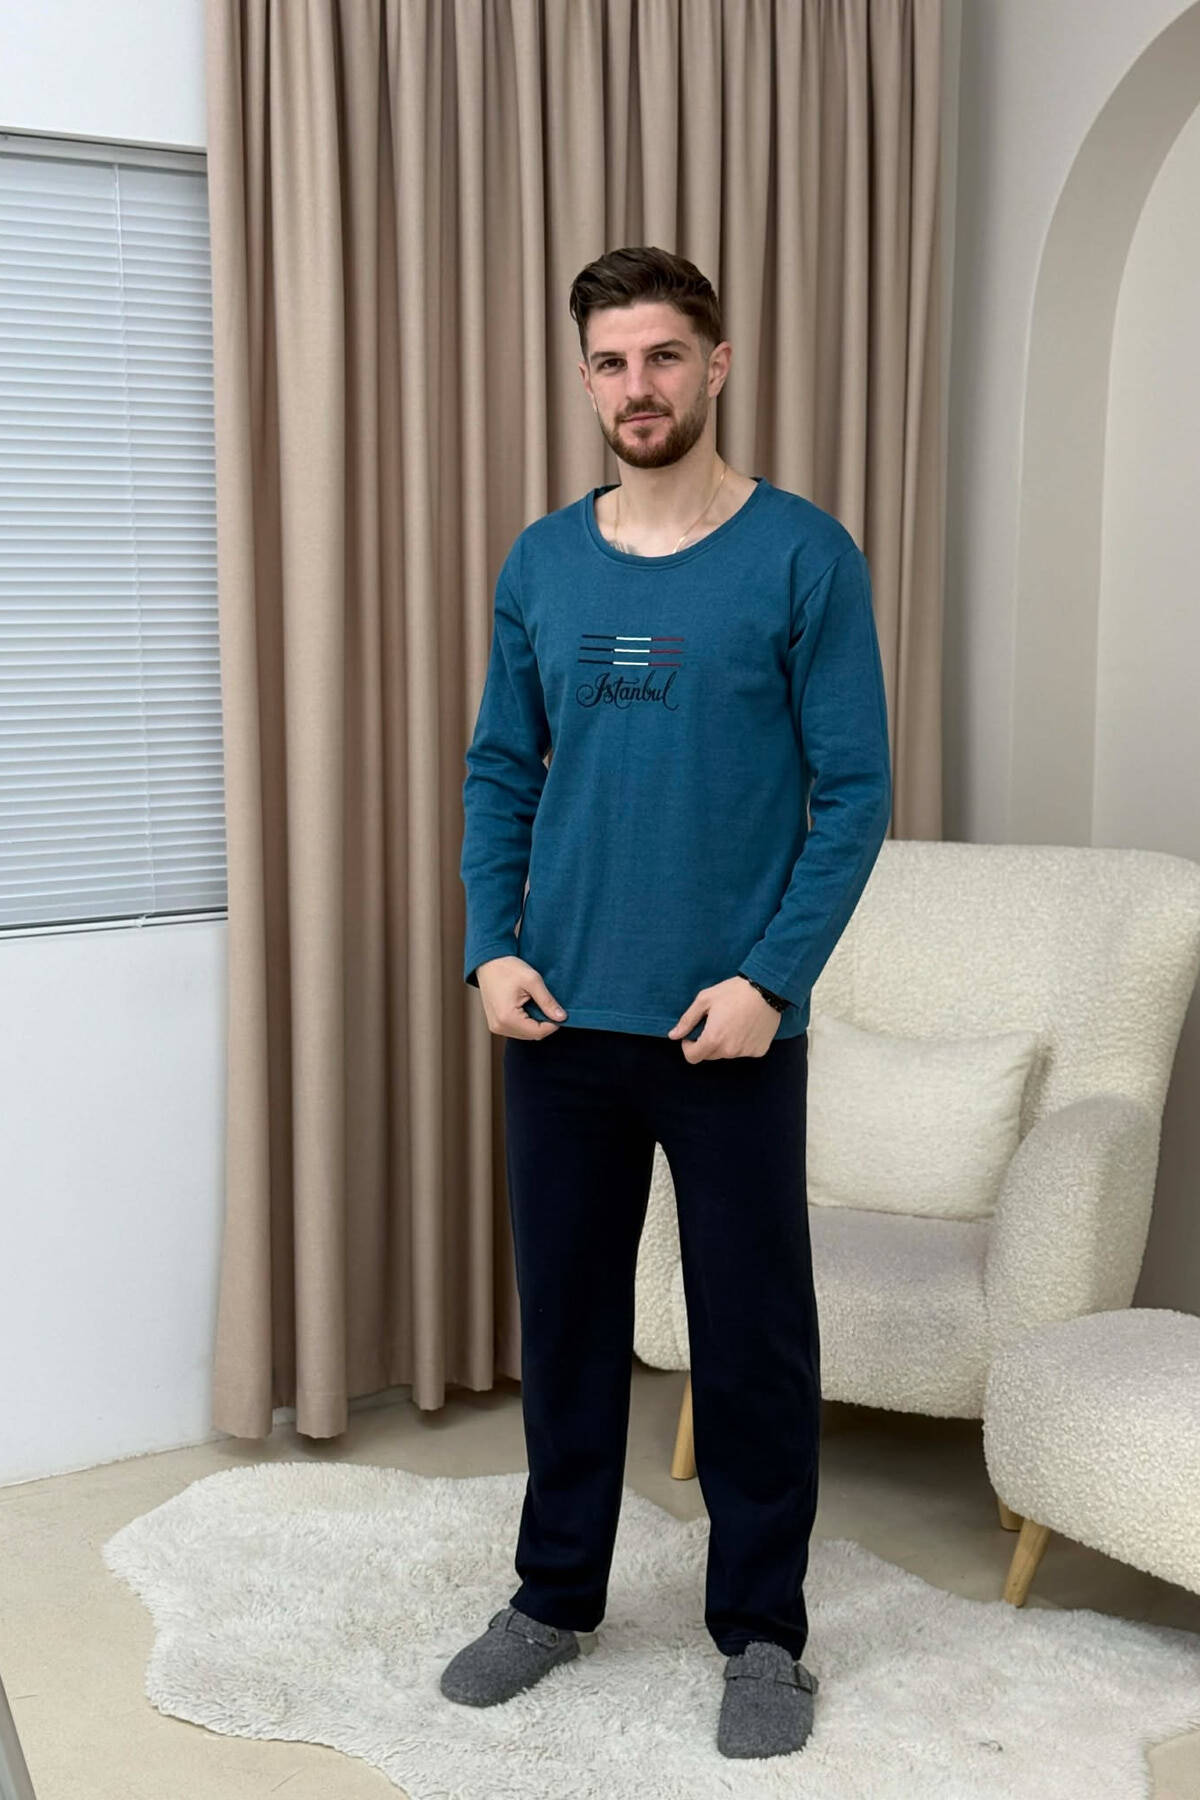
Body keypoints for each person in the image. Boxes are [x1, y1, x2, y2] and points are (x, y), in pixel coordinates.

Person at [443, 245, 892, 1761]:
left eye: (662, 357)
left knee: (752, 1340)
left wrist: (772, 981)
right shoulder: (541, 564)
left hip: (729, 1030)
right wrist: (491, 947)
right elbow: (501, 769)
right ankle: (552, 1597)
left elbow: (855, 794)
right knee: (568, 1328)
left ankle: (763, 1633)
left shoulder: (803, 557)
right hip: (561, 1019)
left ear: (717, 365)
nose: (637, 387)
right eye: (609, 362)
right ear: (587, 381)